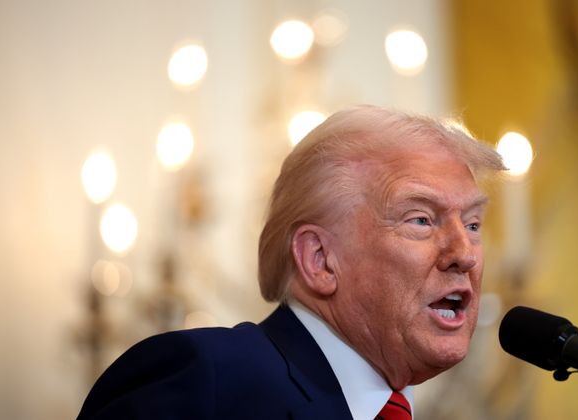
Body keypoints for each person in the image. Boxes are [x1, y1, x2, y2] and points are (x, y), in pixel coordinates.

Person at [77, 105, 505, 420]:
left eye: (471, 224)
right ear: (320, 260)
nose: (464, 255)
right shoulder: (209, 381)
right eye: (421, 220)